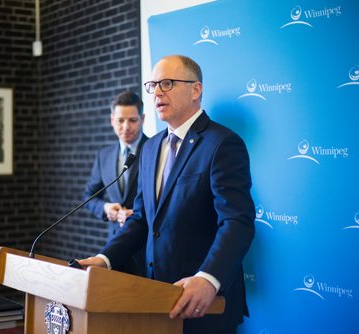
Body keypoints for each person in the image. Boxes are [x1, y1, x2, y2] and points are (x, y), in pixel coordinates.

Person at [78, 55, 255, 334]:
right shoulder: (150, 148)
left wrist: (208, 279)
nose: (157, 92)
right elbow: (141, 220)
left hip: (202, 306)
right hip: (155, 299)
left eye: (167, 83)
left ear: (196, 90)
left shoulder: (222, 144)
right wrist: (104, 259)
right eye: (153, 85)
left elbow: (237, 222)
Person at [82, 91, 147, 276]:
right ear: (112, 120)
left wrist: (138, 214)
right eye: (120, 120)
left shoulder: (155, 150)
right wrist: (105, 208)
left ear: (142, 119)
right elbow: (89, 196)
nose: (126, 126)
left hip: (147, 246)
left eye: (132, 120)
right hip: (113, 246)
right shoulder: (104, 155)